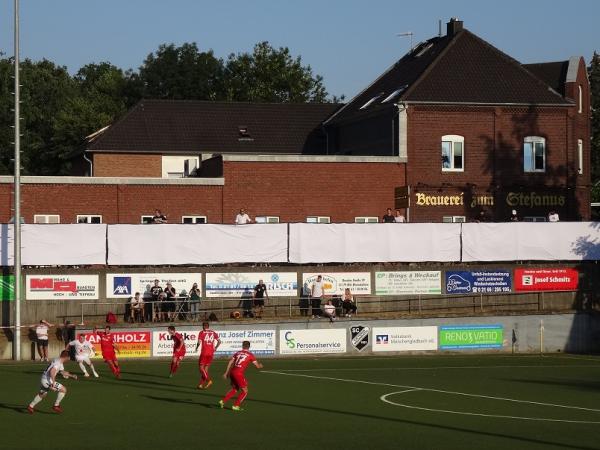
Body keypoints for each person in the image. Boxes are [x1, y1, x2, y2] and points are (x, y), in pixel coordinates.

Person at [27, 350, 77, 414]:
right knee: (63, 390)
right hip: (47, 380)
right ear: (67, 357)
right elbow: (52, 371)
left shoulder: (59, 361)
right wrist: (53, 383)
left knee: (43, 394)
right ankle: (56, 405)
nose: (69, 358)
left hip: (43, 379)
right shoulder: (58, 363)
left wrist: (72, 375)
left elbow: (62, 372)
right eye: (69, 357)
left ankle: (30, 406)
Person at [219, 340, 263, 411]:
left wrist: (226, 373)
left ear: (242, 346)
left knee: (235, 388)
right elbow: (257, 366)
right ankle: (236, 405)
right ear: (249, 347)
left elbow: (230, 362)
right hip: (238, 374)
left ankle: (223, 401)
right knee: (245, 391)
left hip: (232, 372)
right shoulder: (250, 355)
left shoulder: (237, 353)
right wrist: (260, 365)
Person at [195, 322, 221, 389]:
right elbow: (219, 341)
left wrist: (196, 347)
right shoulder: (213, 332)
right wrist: (216, 347)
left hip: (204, 352)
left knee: (201, 368)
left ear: (203, 326)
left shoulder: (202, 332)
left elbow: (199, 342)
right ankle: (200, 384)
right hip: (211, 353)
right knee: (205, 370)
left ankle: (209, 380)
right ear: (208, 326)